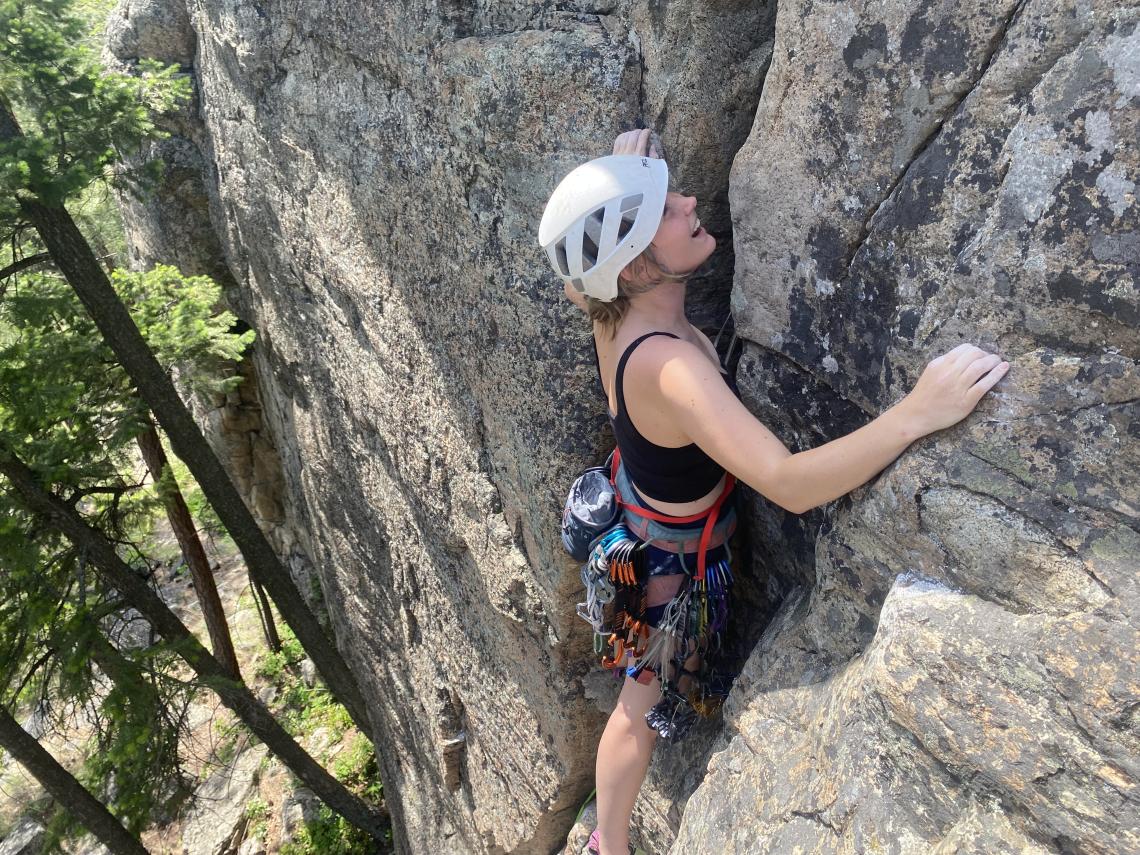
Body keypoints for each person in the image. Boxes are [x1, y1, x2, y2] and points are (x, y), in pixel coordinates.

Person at [539, 128, 1010, 855]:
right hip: (670, 568)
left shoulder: (613, 310)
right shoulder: (671, 372)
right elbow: (789, 483)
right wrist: (917, 411)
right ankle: (611, 841)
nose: (691, 200)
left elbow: (581, 278)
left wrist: (628, 170)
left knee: (641, 694)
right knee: (640, 703)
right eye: (665, 206)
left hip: (639, 511)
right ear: (634, 267)